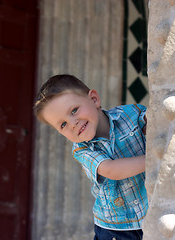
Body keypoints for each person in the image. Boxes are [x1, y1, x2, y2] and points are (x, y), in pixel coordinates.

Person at [34, 74, 148, 240]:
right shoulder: (82, 150)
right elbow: (112, 170)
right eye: (63, 124)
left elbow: (154, 122)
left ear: (94, 99)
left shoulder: (130, 113)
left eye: (74, 110)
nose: (72, 123)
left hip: (149, 211)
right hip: (116, 228)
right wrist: (153, 160)